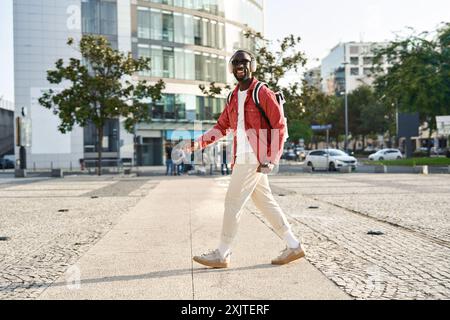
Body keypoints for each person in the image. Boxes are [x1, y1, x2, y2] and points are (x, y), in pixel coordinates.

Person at [187, 50, 305, 268]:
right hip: (242, 155)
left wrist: (271, 157)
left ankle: (222, 253)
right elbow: (222, 126)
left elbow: (279, 126)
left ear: (253, 66)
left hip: (253, 155)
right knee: (264, 202)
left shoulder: (262, 92)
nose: (240, 65)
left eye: (245, 61)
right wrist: (199, 142)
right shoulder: (233, 96)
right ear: (232, 68)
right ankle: (293, 245)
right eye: (236, 62)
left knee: (232, 202)